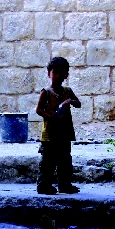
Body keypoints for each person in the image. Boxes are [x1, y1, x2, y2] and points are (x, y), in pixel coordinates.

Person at [36, 56, 81, 195]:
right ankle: (44, 186)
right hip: (50, 134)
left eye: (62, 73)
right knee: (47, 162)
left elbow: (78, 103)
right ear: (48, 73)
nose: (58, 76)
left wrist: (70, 101)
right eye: (55, 72)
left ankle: (64, 185)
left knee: (65, 161)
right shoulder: (46, 92)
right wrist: (51, 117)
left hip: (64, 133)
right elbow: (39, 110)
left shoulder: (67, 91)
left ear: (66, 75)